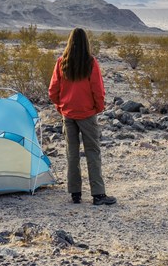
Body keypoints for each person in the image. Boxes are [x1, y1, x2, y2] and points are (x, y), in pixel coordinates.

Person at [48, 28, 117, 206]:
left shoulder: (62, 62)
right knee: (92, 152)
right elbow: (98, 89)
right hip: (87, 114)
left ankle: (75, 193)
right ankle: (98, 194)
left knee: (72, 154)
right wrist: (98, 108)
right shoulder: (91, 62)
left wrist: (60, 107)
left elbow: (53, 90)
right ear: (86, 42)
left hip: (68, 114)